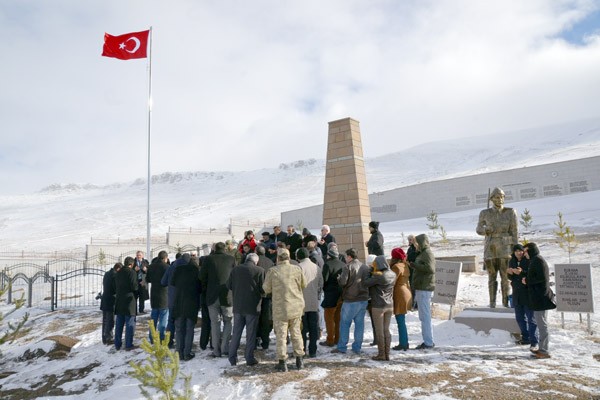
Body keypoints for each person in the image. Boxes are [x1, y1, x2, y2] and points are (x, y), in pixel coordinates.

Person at [263, 248, 306, 372]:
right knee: (296, 333)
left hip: (280, 308)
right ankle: (300, 360)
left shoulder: (273, 271)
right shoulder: (297, 269)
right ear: (289, 257)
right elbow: (304, 284)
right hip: (296, 307)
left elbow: (266, 288)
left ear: (278, 258)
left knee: (281, 336)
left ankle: (282, 362)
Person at [476, 187, 518, 308]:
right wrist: (485, 230)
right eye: (497, 197)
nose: (499, 199)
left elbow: (514, 232)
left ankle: (505, 303)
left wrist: (515, 250)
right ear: (492, 199)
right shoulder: (485, 213)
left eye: (501, 197)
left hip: (505, 248)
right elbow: (478, 229)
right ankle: (492, 303)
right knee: (492, 277)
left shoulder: (510, 212)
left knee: (505, 277)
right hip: (490, 248)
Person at [227, 253, 264, 366]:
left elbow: (229, 285)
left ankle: (232, 357)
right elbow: (263, 289)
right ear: (256, 261)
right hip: (253, 306)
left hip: (238, 305)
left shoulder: (236, 269)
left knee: (236, 332)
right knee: (250, 334)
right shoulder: (260, 270)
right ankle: (249, 357)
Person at [200, 241, 236, 358]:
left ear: (214, 249)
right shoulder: (231, 259)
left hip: (212, 296)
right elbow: (235, 275)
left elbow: (201, 277)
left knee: (214, 323)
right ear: (225, 248)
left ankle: (216, 350)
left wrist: (207, 287)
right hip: (227, 295)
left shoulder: (208, 259)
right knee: (228, 321)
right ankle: (225, 348)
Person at [332, 248, 370, 355]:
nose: (344, 258)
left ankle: (342, 347)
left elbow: (343, 282)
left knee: (344, 324)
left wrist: (339, 278)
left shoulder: (347, 267)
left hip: (350, 299)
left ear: (349, 257)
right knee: (359, 324)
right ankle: (357, 347)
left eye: (345, 256)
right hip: (363, 299)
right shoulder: (365, 267)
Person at [522, 242, 555, 359]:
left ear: (530, 250)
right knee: (541, 323)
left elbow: (541, 279)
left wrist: (527, 281)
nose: (524, 253)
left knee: (542, 325)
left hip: (540, 298)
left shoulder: (538, 261)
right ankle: (542, 348)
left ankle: (544, 351)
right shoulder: (535, 260)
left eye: (525, 251)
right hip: (538, 297)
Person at [363, 255, 397, 361]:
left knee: (379, 331)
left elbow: (365, 282)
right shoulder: (393, 274)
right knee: (386, 330)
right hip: (390, 305)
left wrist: (370, 271)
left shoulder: (379, 275)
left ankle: (381, 354)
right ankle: (387, 353)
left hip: (378, 306)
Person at [507, 244, 538, 350]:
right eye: (516, 251)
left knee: (531, 319)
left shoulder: (528, 260)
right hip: (517, 294)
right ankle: (525, 338)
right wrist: (509, 272)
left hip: (527, 294)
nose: (518, 253)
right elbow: (510, 277)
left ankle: (534, 341)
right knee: (519, 318)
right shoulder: (512, 261)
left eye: (520, 251)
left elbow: (532, 274)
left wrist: (521, 272)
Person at [171, 253, 201, 361]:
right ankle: (187, 353)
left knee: (179, 329)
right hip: (192, 303)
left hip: (179, 302)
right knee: (189, 329)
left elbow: (172, 283)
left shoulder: (177, 269)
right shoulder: (195, 270)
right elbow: (200, 287)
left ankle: (179, 352)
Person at [409, 234, 436, 349]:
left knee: (425, 317)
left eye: (416, 243)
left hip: (425, 288)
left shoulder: (427, 253)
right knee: (423, 316)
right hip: (421, 287)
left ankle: (428, 342)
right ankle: (428, 340)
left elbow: (430, 269)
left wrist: (414, 265)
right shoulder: (422, 253)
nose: (415, 245)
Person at [297, 248, 323, 358]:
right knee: (313, 328)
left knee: (302, 329)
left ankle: (302, 350)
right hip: (313, 302)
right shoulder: (316, 267)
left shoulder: (298, 267)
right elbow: (321, 284)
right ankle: (313, 350)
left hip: (301, 303)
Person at [319, 243, 345, 347]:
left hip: (330, 295)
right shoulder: (343, 264)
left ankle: (330, 339)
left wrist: (323, 288)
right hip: (340, 295)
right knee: (338, 318)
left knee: (329, 318)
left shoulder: (327, 264)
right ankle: (337, 339)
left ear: (329, 255)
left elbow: (324, 280)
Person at [389, 247, 412, 351]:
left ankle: (403, 343)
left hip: (400, 294)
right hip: (406, 292)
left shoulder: (396, 267)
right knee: (401, 319)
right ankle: (404, 342)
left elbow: (391, 282)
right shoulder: (405, 265)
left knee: (400, 320)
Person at [114, 256, 138, 351]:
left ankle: (117, 344)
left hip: (119, 300)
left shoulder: (118, 273)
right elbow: (134, 286)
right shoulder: (131, 272)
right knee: (129, 323)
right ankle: (128, 344)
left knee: (119, 324)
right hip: (129, 301)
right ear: (131, 264)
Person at [146, 250, 169, 343]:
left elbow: (148, 279)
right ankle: (161, 337)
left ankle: (152, 337)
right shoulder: (167, 267)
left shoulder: (151, 267)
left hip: (154, 294)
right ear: (165, 258)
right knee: (163, 317)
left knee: (154, 317)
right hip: (164, 295)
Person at [161, 252, 183, 348]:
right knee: (180, 321)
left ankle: (168, 341)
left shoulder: (170, 268)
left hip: (171, 298)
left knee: (171, 320)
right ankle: (180, 342)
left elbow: (163, 282)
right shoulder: (184, 268)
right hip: (181, 298)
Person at [256, 245, 275, 349]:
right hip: (268, 294)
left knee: (256, 318)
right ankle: (265, 341)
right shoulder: (270, 262)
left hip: (257, 294)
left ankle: (256, 339)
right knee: (266, 319)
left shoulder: (255, 261)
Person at [100, 262, 121, 345]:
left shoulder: (107, 273)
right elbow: (115, 288)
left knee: (105, 320)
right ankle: (109, 337)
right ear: (118, 269)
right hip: (111, 300)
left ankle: (104, 337)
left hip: (105, 299)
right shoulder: (114, 276)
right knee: (110, 320)